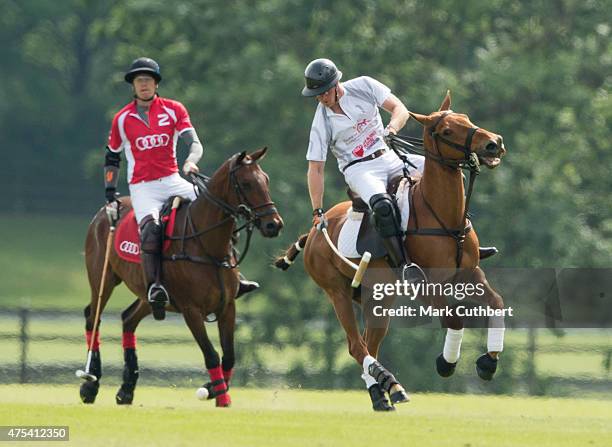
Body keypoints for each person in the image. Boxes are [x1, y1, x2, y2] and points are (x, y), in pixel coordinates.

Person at [104, 57, 258, 313]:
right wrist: (110, 192)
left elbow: (195, 143)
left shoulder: (174, 110)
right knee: (151, 230)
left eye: (148, 80)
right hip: (143, 187)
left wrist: (191, 162)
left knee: (220, 210)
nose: (144, 85)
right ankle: (155, 287)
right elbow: (112, 156)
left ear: (155, 83)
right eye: (139, 80)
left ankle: (235, 277)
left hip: (173, 179)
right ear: (133, 86)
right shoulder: (122, 119)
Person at [302, 58, 425, 278]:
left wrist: (393, 128)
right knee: (383, 206)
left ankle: (460, 236)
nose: (320, 98)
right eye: (316, 95)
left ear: (335, 85)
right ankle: (405, 267)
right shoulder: (321, 120)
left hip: (389, 155)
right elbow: (315, 168)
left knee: (445, 170)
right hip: (360, 169)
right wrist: (317, 210)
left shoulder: (364, 86)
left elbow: (399, 108)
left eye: (323, 92)